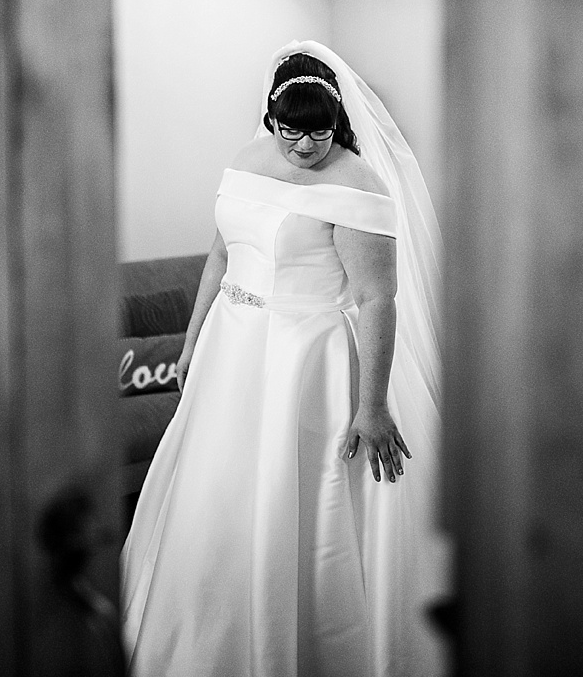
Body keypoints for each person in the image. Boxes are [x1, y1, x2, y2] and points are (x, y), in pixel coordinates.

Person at [121, 43, 446, 675]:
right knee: (217, 488)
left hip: (305, 359)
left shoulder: (358, 184)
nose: (301, 147)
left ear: (337, 122)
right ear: (271, 118)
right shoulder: (248, 157)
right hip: (230, 346)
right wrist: (192, 342)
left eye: (318, 133)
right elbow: (220, 257)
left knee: (297, 501)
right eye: (290, 131)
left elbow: (379, 298)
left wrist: (373, 405)